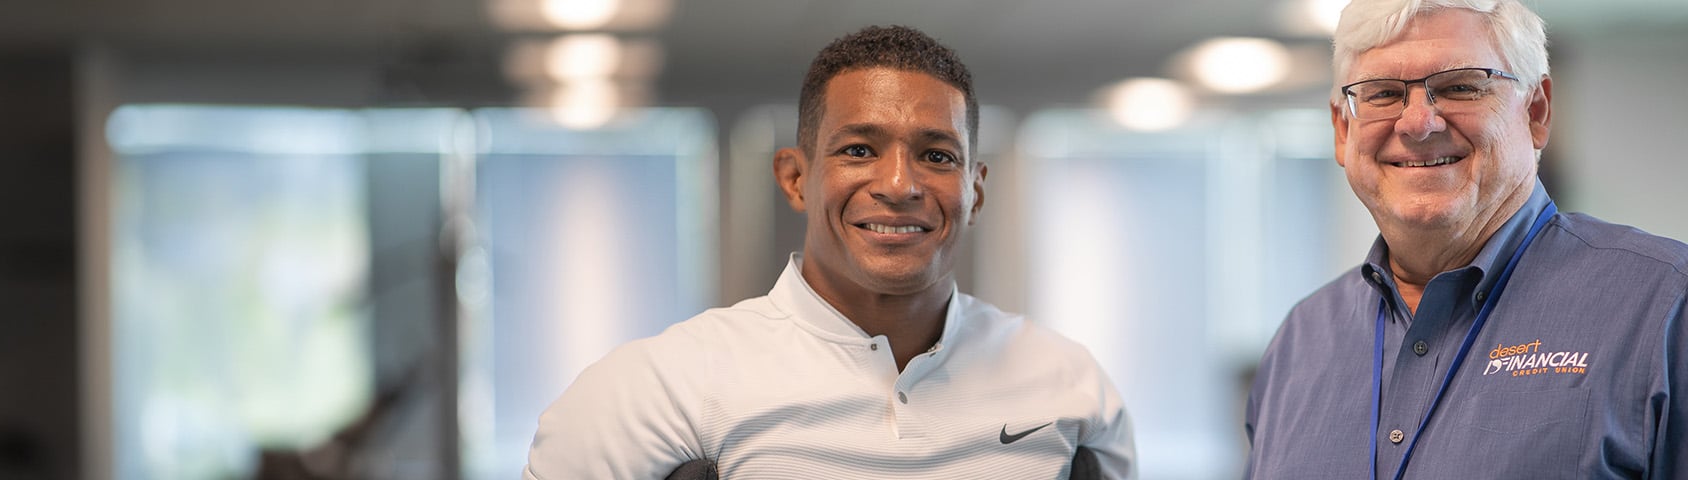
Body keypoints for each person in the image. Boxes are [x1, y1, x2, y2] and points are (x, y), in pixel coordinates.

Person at [524, 25, 1135, 479]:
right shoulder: (665, 388)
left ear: (974, 190)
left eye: (938, 155)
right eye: (859, 150)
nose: (900, 185)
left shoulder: (1071, 384)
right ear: (795, 178)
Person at [1245, 0, 1688, 478]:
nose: (1417, 123)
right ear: (1342, 128)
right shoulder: (1299, 343)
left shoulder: (1663, 309)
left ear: (1536, 112)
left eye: (1459, 86)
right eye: (1382, 94)